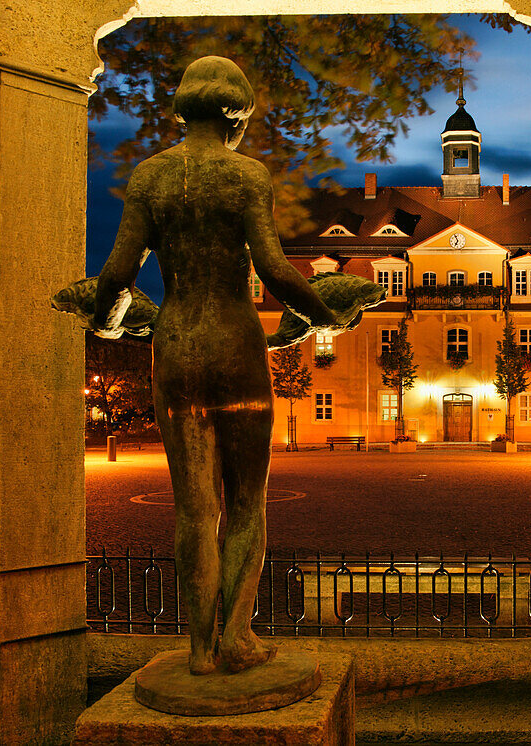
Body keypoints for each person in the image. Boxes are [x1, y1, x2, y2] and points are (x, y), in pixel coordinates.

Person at [92, 56, 345, 675]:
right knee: (247, 501)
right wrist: (324, 318)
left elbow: (118, 274)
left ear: (185, 108)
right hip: (236, 345)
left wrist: (105, 320)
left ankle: (199, 649)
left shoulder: (151, 177)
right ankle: (237, 635)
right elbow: (278, 271)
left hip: (175, 347)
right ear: (235, 114)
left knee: (191, 508)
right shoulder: (246, 176)